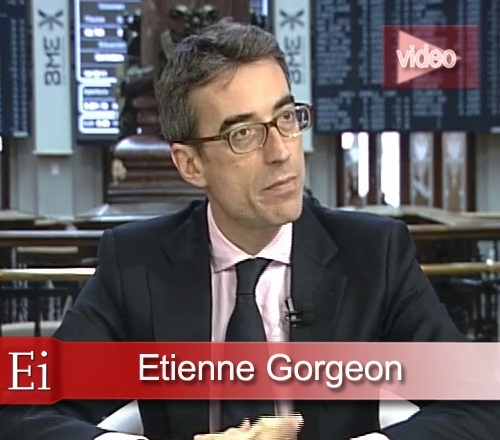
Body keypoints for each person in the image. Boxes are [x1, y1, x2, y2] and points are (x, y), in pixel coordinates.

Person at [1, 18, 499, 440]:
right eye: (243, 134)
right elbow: (22, 407)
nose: (281, 151)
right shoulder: (137, 265)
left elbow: (479, 400)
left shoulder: (373, 255)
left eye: (287, 118)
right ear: (190, 163)